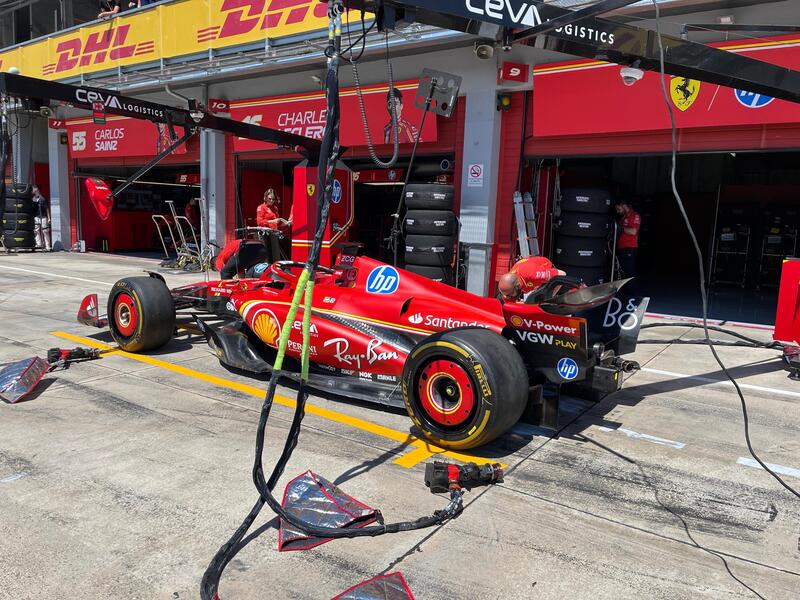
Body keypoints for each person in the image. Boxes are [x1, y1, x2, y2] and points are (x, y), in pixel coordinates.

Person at [498, 256, 566, 303]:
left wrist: (550, 297)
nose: (508, 297)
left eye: (509, 295)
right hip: (528, 269)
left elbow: (562, 275)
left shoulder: (534, 274)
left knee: (542, 303)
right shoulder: (510, 279)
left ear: (518, 286)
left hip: (545, 272)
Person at [615, 200, 641, 279]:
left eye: (618, 209)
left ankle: (631, 291)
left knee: (629, 272)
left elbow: (633, 231)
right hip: (621, 247)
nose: (617, 211)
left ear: (623, 205)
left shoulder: (634, 215)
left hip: (629, 247)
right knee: (622, 271)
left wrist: (620, 228)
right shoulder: (622, 217)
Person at [32, 184, 51, 252]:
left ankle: (48, 246)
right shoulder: (33, 198)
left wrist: (48, 218)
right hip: (36, 216)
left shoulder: (43, 198)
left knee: (45, 231)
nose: (32, 190)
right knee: (36, 230)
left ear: (36, 189)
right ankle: (39, 244)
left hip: (43, 216)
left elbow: (47, 208)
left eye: (33, 188)